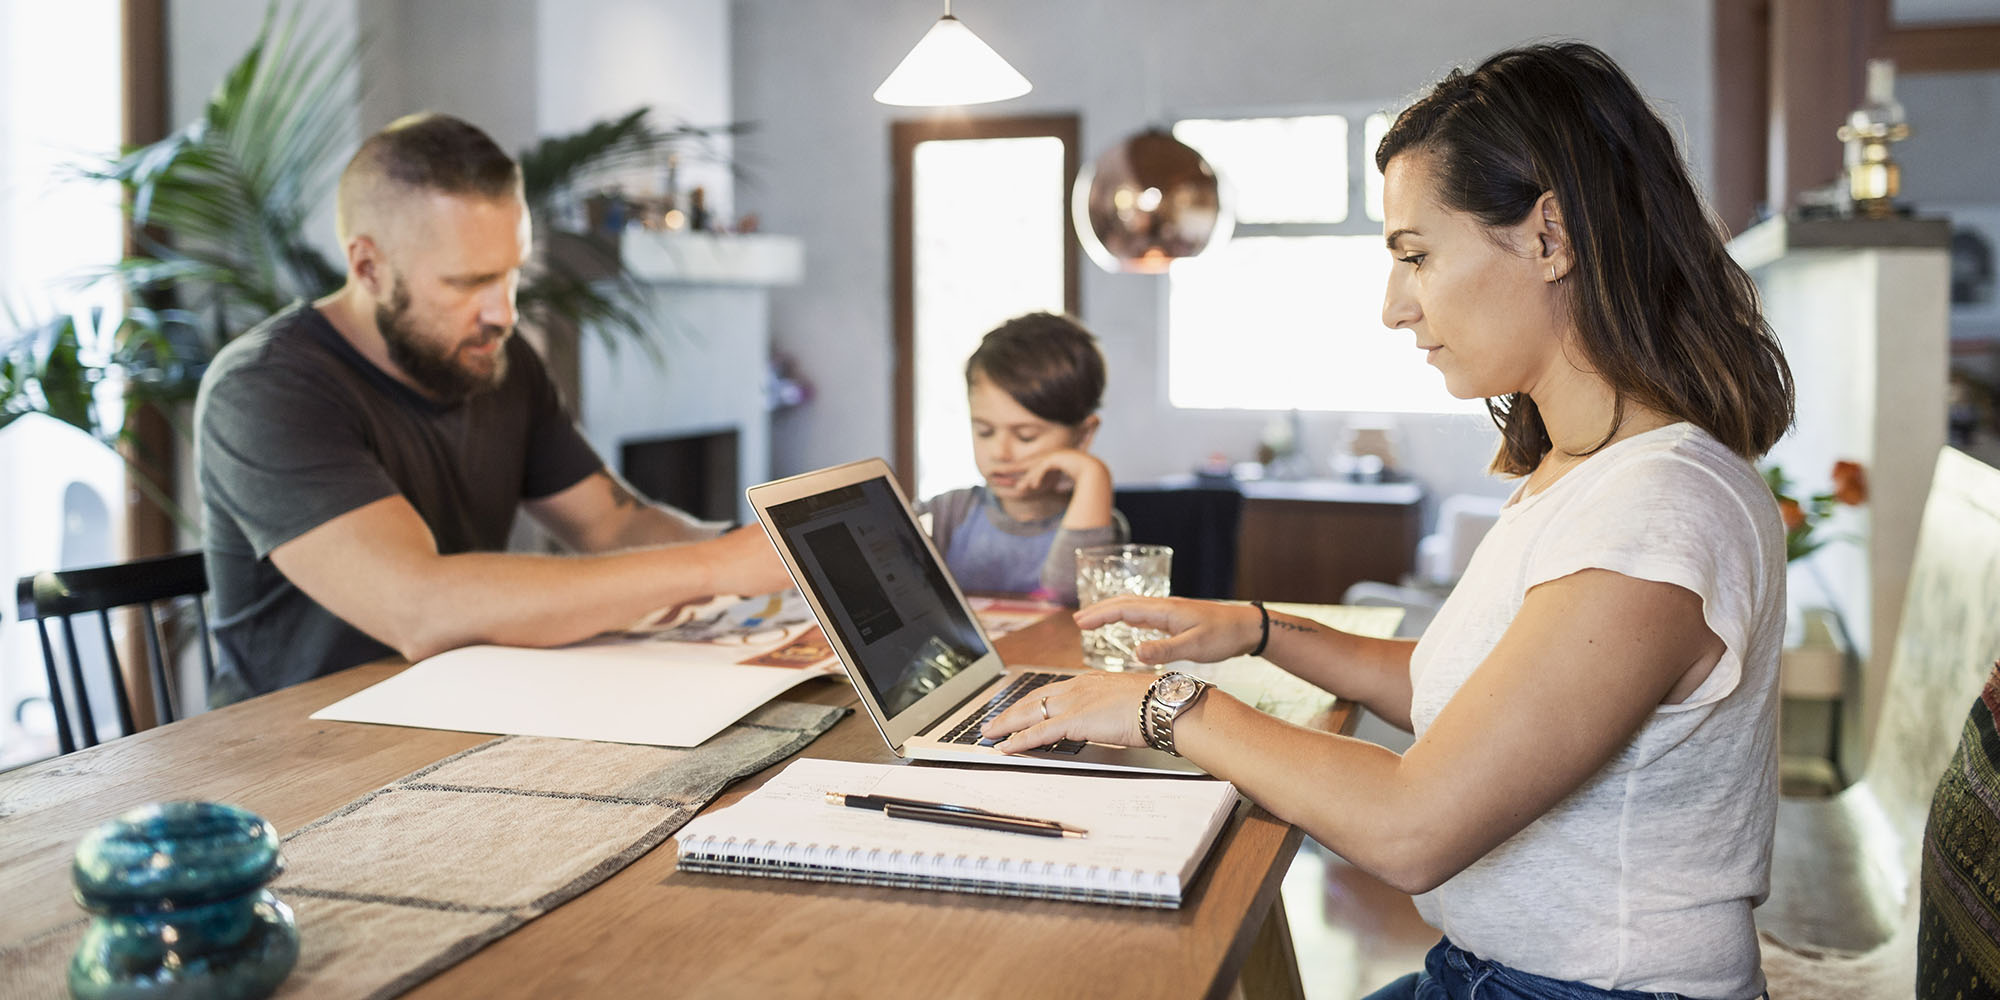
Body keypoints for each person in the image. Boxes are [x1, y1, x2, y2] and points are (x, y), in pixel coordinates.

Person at [985, 42, 1794, 1000]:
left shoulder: (1657, 510)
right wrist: (1255, 629)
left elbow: (1413, 826)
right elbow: (1468, 694)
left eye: (1415, 255)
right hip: (1491, 974)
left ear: (1551, 237)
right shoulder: (1585, 472)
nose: (1393, 308)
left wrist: (1163, 709)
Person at [194, 113, 791, 703]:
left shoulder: (495, 362)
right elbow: (419, 607)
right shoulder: (264, 390)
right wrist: (716, 567)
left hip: (469, 705)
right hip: (302, 752)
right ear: (368, 266)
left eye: (510, 275)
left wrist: (771, 562)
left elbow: (615, 525)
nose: (502, 313)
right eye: (467, 282)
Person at [914, 312, 1127, 605]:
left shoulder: (1097, 527)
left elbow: (1065, 596)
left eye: (1025, 436)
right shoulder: (948, 514)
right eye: (985, 431)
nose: (1000, 452)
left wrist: (1094, 474)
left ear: (1083, 435)